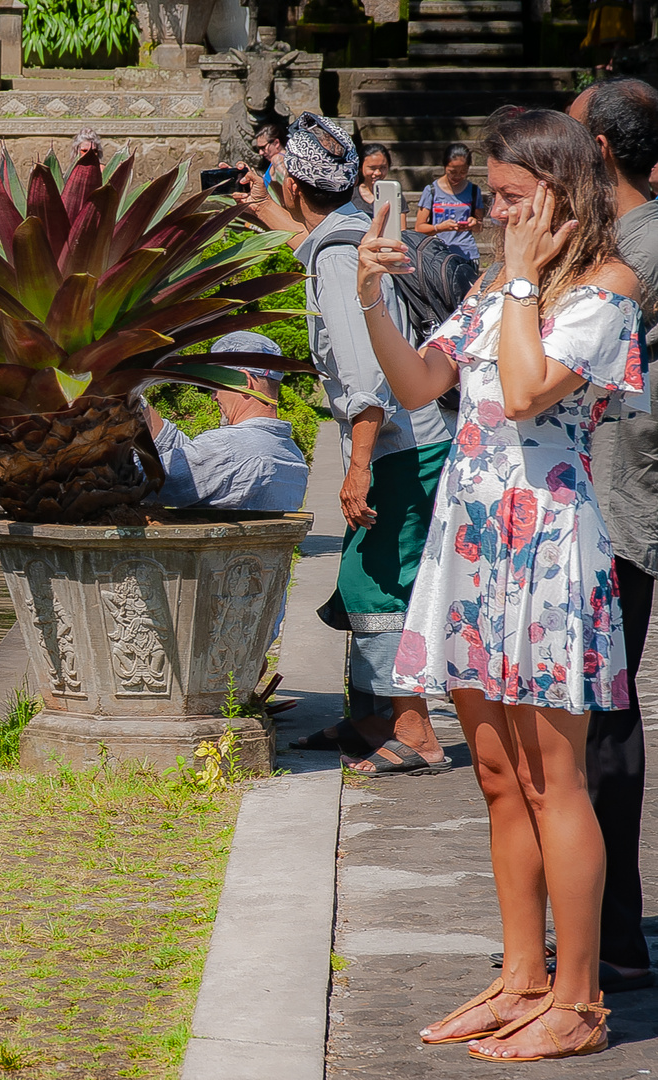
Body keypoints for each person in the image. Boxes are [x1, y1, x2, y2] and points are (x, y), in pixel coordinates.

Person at [358, 107, 646, 1062]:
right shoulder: (491, 288)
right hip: (473, 543)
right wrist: (372, 301)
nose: (494, 210)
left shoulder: (606, 289)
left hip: (549, 550)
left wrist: (520, 276)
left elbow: (523, 393)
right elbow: (416, 386)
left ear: (564, 195)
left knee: (552, 775)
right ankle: (521, 976)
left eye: (513, 196)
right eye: (492, 195)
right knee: (494, 775)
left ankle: (578, 996)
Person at [273, 113, 453, 777]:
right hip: (401, 441)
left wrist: (354, 467)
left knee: (380, 587)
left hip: (401, 447)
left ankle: (416, 732)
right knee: (359, 581)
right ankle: (371, 718)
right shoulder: (352, 235)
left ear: (292, 185)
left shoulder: (336, 254)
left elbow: (364, 377)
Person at [568, 75, 657, 996]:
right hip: (606, 495)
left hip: (619, 503)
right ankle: (609, 929)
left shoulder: (645, 244)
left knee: (605, 710)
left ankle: (614, 938)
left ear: (597, 150)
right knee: (599, 707)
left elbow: (565, 349)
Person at [144, 332, 309, 512]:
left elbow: (141, 481)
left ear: (244, 382)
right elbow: (195, 464)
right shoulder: (292, 455)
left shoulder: (226, 447)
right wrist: (138, 403)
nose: (214, 397)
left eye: (216, 385)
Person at [415, 142, 485, 262]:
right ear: (445, 166)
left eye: (463, 172)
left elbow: (479, 227)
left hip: (467, 254)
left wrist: (474, 224)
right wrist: (440, 227)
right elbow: (419, 227)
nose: (457, 176)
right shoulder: (431, 190)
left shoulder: (473, 190)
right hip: (438, 253)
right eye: (452, 171)